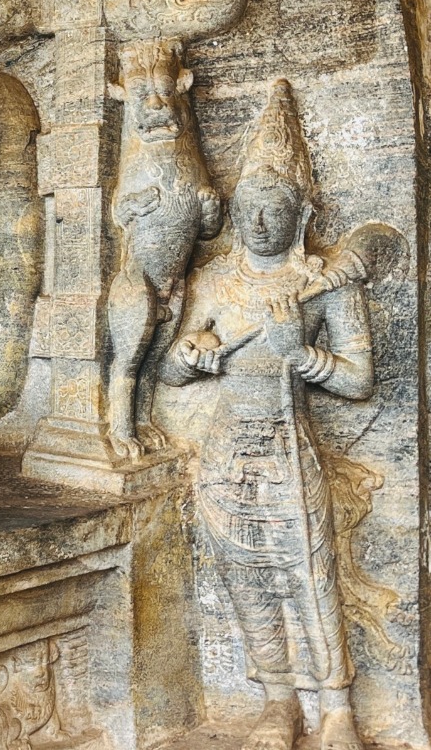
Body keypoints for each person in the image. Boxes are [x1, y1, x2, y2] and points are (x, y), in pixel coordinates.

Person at [162, 80, 372, 750]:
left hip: (288, 446)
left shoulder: (326, 283)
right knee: (246, 579)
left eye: (273, 205)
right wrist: (190, 354)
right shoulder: (216, 283)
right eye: (248, 206)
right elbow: (167, 368)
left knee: (309, 576)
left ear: (301, 212)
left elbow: (360, 380)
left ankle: (336, 707)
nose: (257, 220)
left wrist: (301, 354)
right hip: (228, 451)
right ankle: (276, 702)